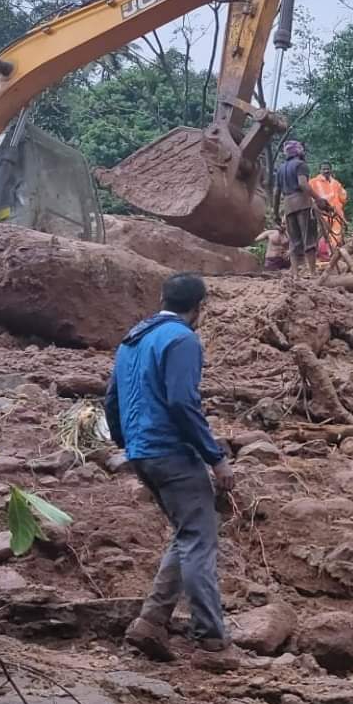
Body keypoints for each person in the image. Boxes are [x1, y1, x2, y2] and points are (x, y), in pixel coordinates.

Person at [106, 274, 234, 662]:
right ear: (200, 308)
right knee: (199, 540)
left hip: (142, 451)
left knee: (186, 535)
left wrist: (127, 443)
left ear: (162, 298)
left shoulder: (133, 338)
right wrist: (216, 458)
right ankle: (210, 641)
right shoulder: (182, 339)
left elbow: (111, 398)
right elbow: (182, 402)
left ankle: (151, 622)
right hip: (172, 453)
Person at [272, 141, 327, 274]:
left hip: (288, 206)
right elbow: (303, 184)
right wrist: (318, 199)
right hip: (302, 204)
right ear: (298, 151)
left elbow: (276, 193)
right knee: (309, 239)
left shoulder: (280, 169)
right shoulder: (301, 165)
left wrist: (276, 213)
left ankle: (295, 274)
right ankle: (313, 273)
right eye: (302, 149)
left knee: (294, 241)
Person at [311, 162, 348, 248]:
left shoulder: (336, 183)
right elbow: (309, 198)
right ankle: (322, 252)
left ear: (331, 170)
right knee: (322, 234)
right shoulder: (313, 182)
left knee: (337, 234)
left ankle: (333, 252)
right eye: (324, 169)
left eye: (328, 169)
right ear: (320, 170)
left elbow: (343, 198)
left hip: (336, 213)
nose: (326, 171)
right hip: (321, 213)